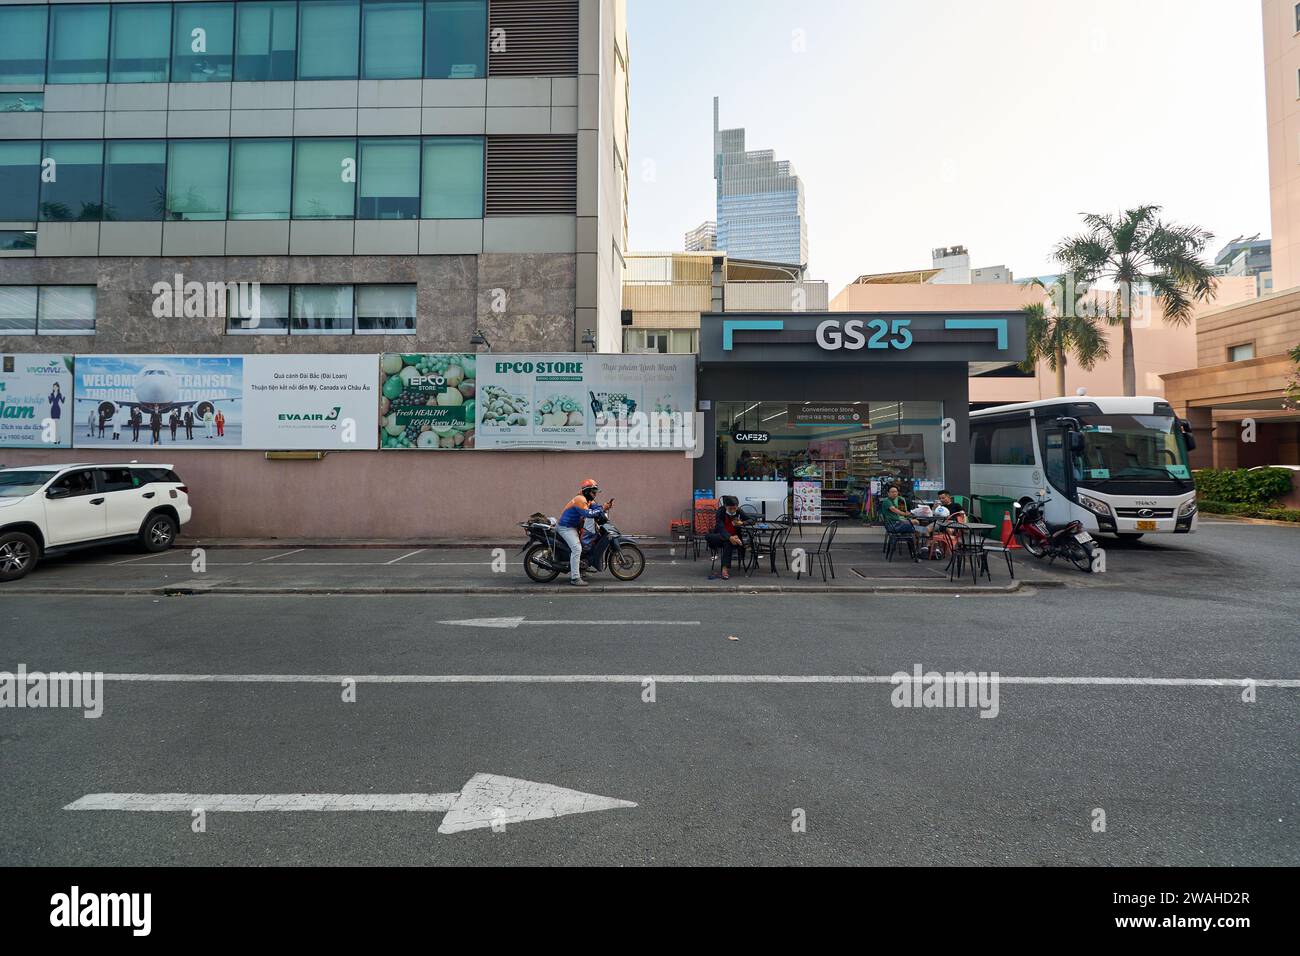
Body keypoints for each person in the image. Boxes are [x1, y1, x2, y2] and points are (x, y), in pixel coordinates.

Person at [557, 479, 612, 587]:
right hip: (566, 528)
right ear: (587, 491)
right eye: (593, 492)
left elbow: (596, 508)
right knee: (577, 548)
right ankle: (575, 578)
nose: (595, 494)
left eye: (595, 492)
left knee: (586, 544)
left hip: (574, 527)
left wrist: (604, 507)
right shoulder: (580, 499)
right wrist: (602, 509)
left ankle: (582, 568)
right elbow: (588, 513)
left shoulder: (589, 500)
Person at [706, 495, 751, 581]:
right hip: (720, 536)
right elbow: (720, 528)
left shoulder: (738, 511)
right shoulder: (720, 512)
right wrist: (730, 537)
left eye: (735, 508)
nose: (733, 510)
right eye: (730, 509)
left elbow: (752, 520)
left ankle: (724, 570)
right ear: (725, 506)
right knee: (708, 536)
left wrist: (742, 523)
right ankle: (730, 539)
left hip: (733, 539)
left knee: (727, 543)